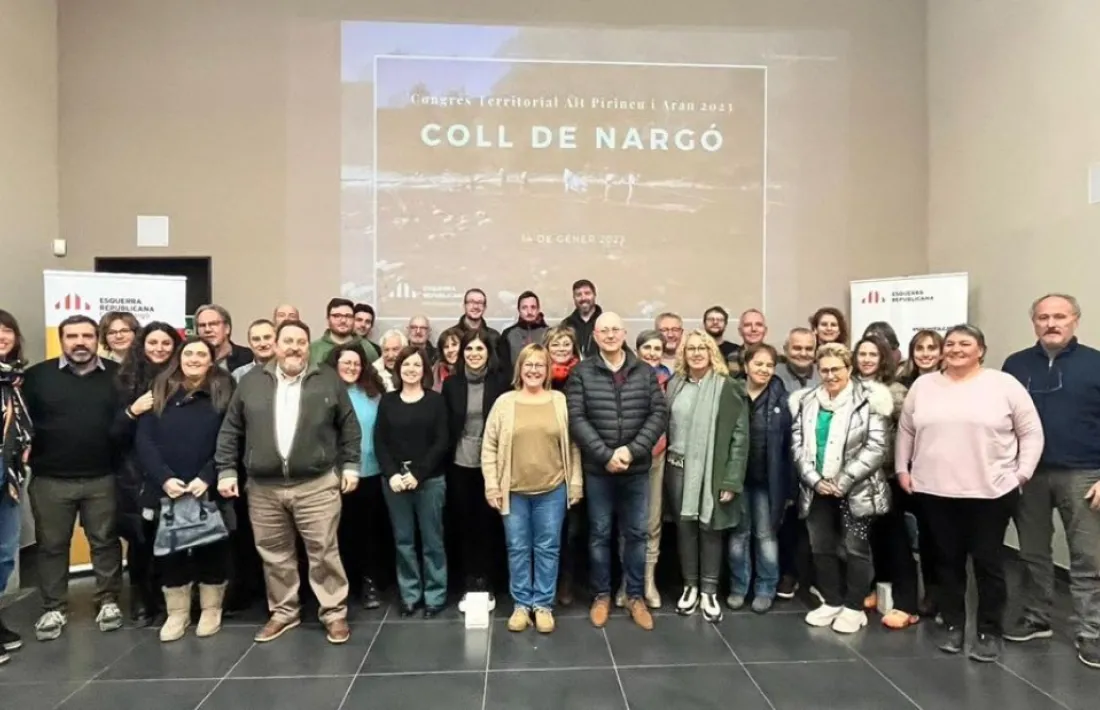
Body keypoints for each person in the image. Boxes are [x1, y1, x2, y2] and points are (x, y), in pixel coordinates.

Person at [896, 324, 1043, 662]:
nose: (956, 349)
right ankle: (953, 624)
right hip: (935, 490)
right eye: (950, 344)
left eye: (965, 343)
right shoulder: (924, 385)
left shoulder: (1003, 385)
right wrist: (903, 468)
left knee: (988, 563)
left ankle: (988, 631)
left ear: (981, 349)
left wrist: (1022, 473)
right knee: (946, 562)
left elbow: (1031, 431)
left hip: (990, 492)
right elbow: (906, 430)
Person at [215, 319, 361, 645]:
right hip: (263, 487)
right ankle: (284, 612)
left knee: (324, 552)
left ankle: (334, 613)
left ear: (308, 346)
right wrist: (226, 470)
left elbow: (349, 427)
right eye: (288, 341)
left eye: (300, 341)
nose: (294, 347)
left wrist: (351, 466)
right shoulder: (251, 382)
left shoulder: (328, 380)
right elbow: (230, 430)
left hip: (317, 483)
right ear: (276, 346)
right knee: (274, 554)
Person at [1002, 294, 1100, 669]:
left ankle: (1092, 631)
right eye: (1043, 317)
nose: (1051, 323)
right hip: (1030, 473)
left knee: (1088, 557)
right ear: (1034, 323)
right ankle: (1035, 616)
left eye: (1059, 316)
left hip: (1085, 473)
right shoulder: (1015, 365)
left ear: (1075, 320)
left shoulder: (1095, 363)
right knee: (1032, 552)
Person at [23, 315, 124, 641]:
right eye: (72, 336)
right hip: (51, 479)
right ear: (62, 339)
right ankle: (54, 607)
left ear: (98, 339)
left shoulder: (118, 375)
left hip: (103, 476)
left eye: (86, 335)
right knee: (52, 545)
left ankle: (108, 600)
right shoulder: (36, 377)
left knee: (105, 542)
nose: (79, 342)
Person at [567, 312, 668, 631]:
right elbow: (577, 417)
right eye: (603, 330)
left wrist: (630, 450)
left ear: (624, 334)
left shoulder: (643, 371)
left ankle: (635, 596)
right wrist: (606, 454)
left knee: (637, 534)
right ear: (595, 337)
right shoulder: (582, 372)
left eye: (615, 329)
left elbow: (658, 414)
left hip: (636, 468)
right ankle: (601, 596)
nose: (609, 335)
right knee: (599, 534)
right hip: (599, 469)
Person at [135, 337, 234, 642]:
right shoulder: (160, 390)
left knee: (212, 548)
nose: (194, 358)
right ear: (179, 358)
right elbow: (144, 440)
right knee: (171, 551)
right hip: (167, 488)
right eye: (188, 353)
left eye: (201, 354)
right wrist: (164, 478)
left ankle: (210, 609)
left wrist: (208, 475)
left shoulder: (225, 391)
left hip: (207, 485)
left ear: (211, 359)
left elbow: (230, 438)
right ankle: (177, 614)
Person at [790, 343, 892, 635]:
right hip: (817, 489)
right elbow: (797, 444)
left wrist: (843, 481)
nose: (830, 375)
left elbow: (876, 447)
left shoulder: (869, 400)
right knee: (820, 547)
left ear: (849, 369)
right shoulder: (807, 400)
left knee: (855, 548)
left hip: (855, 489)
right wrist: (814, 478)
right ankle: (832, 601)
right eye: (825, 370)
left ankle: (853, 607)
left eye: (836, 369)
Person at [482, 343, 584, 633]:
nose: (534, 370)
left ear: (548, 370)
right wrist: (492, 485)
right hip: (512, 492)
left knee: (548, 548)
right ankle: (521, 605)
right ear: (520, 369)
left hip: (553, 490)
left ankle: (542, 605)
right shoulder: (504, 403)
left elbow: (574, 446)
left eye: (540, 364)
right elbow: (489, 447)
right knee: (517, 548)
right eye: (529, 364)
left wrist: (575, 483)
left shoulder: (560, 401)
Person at [665, 330, 748, 623]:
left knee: (710, 528)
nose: (697, 353)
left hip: (713, 471)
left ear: (712, 351)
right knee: (685, 528)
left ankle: (709, 590)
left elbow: (740, 437)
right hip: (676, 468)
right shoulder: (674, 385)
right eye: (691, 349)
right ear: (683, 354)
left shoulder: (727, 387)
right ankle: (690, 586)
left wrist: (731, 479)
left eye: (703, 348)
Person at [112, 321, 182, 626]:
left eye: (166, 343)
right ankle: (143, 602)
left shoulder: (185, 379)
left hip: (176, 472)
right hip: (137, 476)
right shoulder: (123, 381)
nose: (159, 349)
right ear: (142, 345)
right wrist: (133, 411)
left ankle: (172, 604)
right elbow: (113, 433)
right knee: (141, 542)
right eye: (153, 342)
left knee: (175, 542)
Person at [374, 346, 450, 617]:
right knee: (403, 540)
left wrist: (417, 474)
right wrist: (393, 474)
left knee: (433, 541)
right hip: (395, 483)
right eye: (406, 364)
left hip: (429, 481)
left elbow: (442, 442)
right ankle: (410, 595)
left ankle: (435, 595)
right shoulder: (388, 401)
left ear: (425, 370)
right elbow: (380, 442)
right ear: (398, 369)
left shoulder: (435, 401)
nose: (411, 369)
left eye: (417, 365)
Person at [853, 335, 919, 630]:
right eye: (862, 354)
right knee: (872, 538)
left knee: (896, 538)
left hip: (887, 475)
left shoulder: (897, 391)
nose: (866, 359)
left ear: (884, 358)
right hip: (857, 477)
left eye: (873, 354)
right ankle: (878, 589)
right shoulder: (848, 387)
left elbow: (906, 434)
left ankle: (907, 603)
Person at [441, 329, 509, 611]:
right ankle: (470, 580)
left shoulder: (501, 383)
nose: (474, 354)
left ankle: (490, 579)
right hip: (460, 463)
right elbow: (446, 426)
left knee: (490, 524)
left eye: (479, 349)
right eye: (469, 349)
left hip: (493, 464)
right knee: (465, 524)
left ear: (488, 354)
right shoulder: (452, 384)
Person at [326, 343, 393, 610]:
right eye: (346, 362)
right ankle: (341, 585)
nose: (352, 367)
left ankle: (369, 583)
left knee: (369, 533)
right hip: (335, 475)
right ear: (335, 365)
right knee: (340, 534)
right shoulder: (325, 392)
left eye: (356, 363)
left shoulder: (374, 393)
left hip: (372, 473)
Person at [728, 343, 792, 615]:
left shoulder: (782, 398)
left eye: (769, 365)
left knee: (765, 535)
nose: (764, 370)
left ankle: (766, 588)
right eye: (758, 364)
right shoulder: (732, 393)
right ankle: (738, 587)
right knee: (738, 535)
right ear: (746, 366)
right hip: (737, 480)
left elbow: (789, 445)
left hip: (769, 481)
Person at [616, 329, 670, 609]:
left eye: (657, 348)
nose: (652, 353)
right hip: (629, 457)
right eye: (647, 347)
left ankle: (648, 580)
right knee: (628, 524)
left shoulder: (670, 380)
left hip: (658, 457)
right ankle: (627, 582)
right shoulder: (624, 377)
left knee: (651, 522)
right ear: (637, 350)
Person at [544, 325, 584, 605]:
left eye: (565, 344)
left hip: (576, 456)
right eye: (555, 344)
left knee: (573, 529)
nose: (560, 349)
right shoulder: (535, 374)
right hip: (544, 458)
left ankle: (567, 582)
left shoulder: (583, 375)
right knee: (547, 528)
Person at [0, 310, 32, 660]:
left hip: (7, 475)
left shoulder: (13, 381)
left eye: (7, 330)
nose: (2, 337)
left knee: (5, 552)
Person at [195, 304, 252, 372]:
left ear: (227, 328)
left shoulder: (247, 357)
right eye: (202, 325)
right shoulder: (192, 359)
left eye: (213, 324)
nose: (207, 329)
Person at [310, 298, 367, 366]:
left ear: (354, 319)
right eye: (337, 316)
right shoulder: (313, 349)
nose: (343, 320)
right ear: (328, 320)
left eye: (348, 316)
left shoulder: (367, 348)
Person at [499, 291, 550, 367]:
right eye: (524, 308)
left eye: (533, 307)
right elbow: (503, 367)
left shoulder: (549, 333)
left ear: (538, 309)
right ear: (519, 310)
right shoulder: (508, 334)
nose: (529, 312)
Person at [561, 279, 602, 359]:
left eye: (587, 293)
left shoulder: (606, 323)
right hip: (574, 370)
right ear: (574, 298)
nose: (583, 298)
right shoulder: (566, 325)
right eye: (578, 295)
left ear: (594, 295)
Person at [431, 326, 463, 393]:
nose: (450, 350)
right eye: (446, 347)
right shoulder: (433, 371)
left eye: (454, 345)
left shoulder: (470, 372)